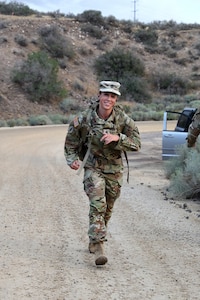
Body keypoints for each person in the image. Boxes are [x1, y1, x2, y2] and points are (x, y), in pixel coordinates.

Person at [64, 81, 141, 266]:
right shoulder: (84, 118)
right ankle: (99, 245)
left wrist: (118, 138)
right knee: (98, 204)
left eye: (113, 96)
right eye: (106, 95)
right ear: (99, 95)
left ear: (116, 99)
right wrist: (72, 159)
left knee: (108, 207)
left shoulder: (123, 119)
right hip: (93, 167)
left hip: (114, 170)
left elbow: (136, 143)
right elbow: (71, 143)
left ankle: (94, 237)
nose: (109, 99)